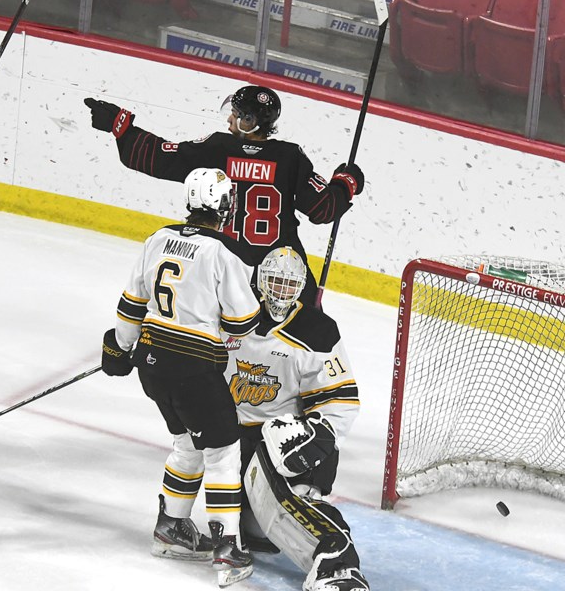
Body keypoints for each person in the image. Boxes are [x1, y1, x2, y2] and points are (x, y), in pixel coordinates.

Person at [101, 168, 262, 587]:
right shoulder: (224, 253)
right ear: (225, 207)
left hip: (153, 365)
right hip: (194, 369)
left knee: (188, 442)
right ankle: (227, 547)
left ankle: (171, 529)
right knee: (224, 450)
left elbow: (131, 305)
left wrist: (120, 347)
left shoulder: (157, 239)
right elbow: (242, 323)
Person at [83, 86, 365, 307]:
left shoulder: (218, 148)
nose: (230, 118)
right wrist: (346, 182)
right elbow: (323, 209)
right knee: (299, 346)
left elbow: (159, 157)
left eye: (237, 114)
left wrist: (119, 126)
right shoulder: (290, 157)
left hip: (225, 272)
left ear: (250, 121)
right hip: (280, 277)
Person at [225, 246, 370, 591]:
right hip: (232, 438)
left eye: (289, 284)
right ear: (260, 281)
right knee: (258, 529)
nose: (280, 290)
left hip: (285, 441)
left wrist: (311, 437)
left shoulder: (317, 331)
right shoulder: (231, 314)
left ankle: (338, 565)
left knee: (289, 500)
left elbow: (340, 401)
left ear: (301, 286)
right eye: (274, 280)